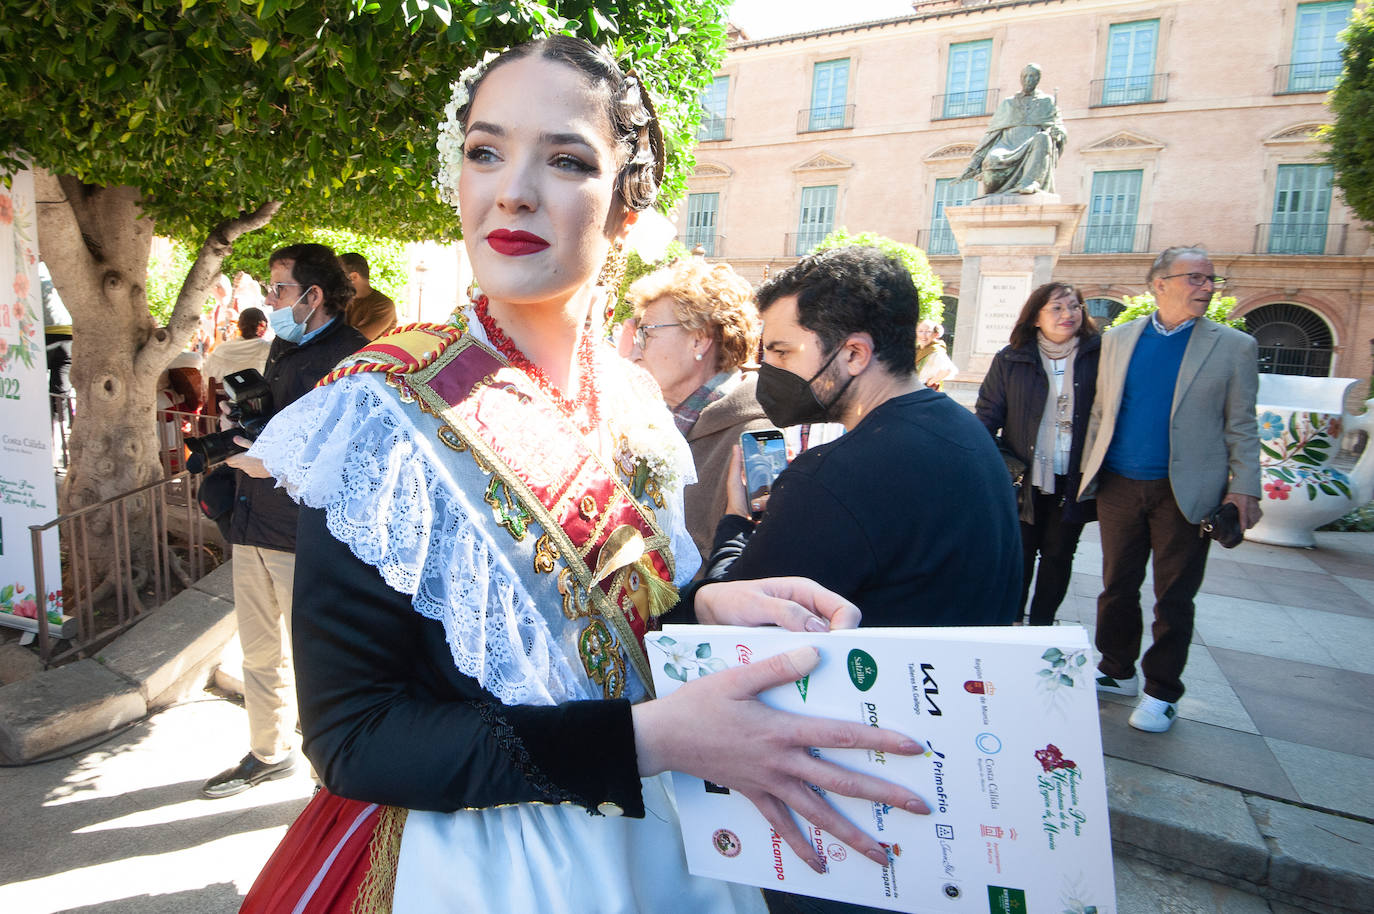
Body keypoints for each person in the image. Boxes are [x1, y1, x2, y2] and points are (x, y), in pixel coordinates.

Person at [238, 39, 931, 914]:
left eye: (565, 160)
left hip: (659, 840)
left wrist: (695, 607)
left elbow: (597, 635)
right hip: (479, 866)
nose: (512, 190)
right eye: (485, 151)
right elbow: (354, 738)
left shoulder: (636, 401)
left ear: (628, 213)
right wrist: (649, 739)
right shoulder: (378, 415)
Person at [698, 246, 1021, 628]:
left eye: (782, 353)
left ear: (854, 354)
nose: (768, 370)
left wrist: (735, 524)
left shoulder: (832, 477)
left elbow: (734, 614)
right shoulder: (963, 427)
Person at [199, 243, 368, 799]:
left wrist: (271, 457)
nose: (269, 301)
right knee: (259, 653)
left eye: (279, 290)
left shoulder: (353, 359)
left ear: (313, 296)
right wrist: (242, 420)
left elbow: (349, 455)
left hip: (304, 537)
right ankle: (268, 751)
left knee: (317, 661)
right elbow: (278, 422)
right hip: (251, 523)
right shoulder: (284, 344)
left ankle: (331, 774)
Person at [1079, 246, 1261, 733]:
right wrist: (1088, 471)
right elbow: (1102, 411)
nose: (1207, 286)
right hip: (1119, 483)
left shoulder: (1232, 347)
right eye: (1195, 278)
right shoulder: (1118, 339)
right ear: (1158, 284)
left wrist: (1245, 489)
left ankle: (1162, 692)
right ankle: (1116, 670)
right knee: (1116, 586)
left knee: (1174, 596)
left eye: (1210, 279)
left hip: (1186, 490)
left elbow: (1241, 425)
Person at [626, 258, 772, 558]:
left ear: (699, 341)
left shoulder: (757, 436)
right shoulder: (647, 421)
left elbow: (757, 563)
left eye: (646, 332)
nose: (634, 350)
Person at [975, 282, 1100, 626]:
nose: (1068, 315)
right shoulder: (1011, 359)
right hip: (1024, 477)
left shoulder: (1098, 355)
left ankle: (1043, 624)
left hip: (1074, 476)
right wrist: (994, 468)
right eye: (1057, 308)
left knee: (1059, 555)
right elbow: (987, 418)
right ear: (1035, 318)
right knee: (1021, 554)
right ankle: (1013, 621)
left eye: (1074, 307)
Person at [959, 63, 1066, 196]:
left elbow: (1059, 127)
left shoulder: (1047, 102)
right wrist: (974, 164)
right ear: (1021, 79)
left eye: (1032, 76)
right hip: (1007, 144)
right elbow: (992, 135)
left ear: (1038, 79)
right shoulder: (1008, 102)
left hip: (1034, 144)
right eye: (1025, 76)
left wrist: (1059, 134)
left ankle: (1030, 182)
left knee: (1043, 138)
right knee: (993, 158)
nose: (1028, 80)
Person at [202, 306, 270, 404]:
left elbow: (206, 378)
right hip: (252, 406)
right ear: (263, 326)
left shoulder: (221, 348)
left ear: (239, 325)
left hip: (218, 404)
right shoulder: (267, 348)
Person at [339, 251, 398, 340]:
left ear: (353, 277)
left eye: (337, 276)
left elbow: (357, 340)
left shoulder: (383, 305)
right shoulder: (341, 301)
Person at [914, 318, 956, 389]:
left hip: (923, 391)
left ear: (935, 334)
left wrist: (930, 382)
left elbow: (948, 370)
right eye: (920, 331)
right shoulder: (917, 350)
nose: (923, 335)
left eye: (928, 332)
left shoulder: (936, 352)